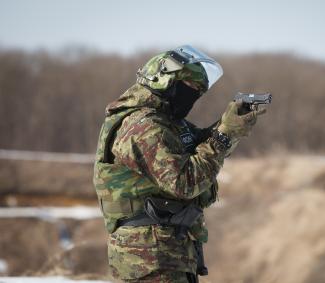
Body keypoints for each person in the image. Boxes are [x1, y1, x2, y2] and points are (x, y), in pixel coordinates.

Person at [93, 45, 266, 283]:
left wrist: (230, 125)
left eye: (198, 92)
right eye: (189, 89)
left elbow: (202, 145)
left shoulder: (168, 123)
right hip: (148, 257)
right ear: (165, 82)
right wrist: (224, 134)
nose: (193, 97)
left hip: (166, 251)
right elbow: (184, 182)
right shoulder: (142, 127)